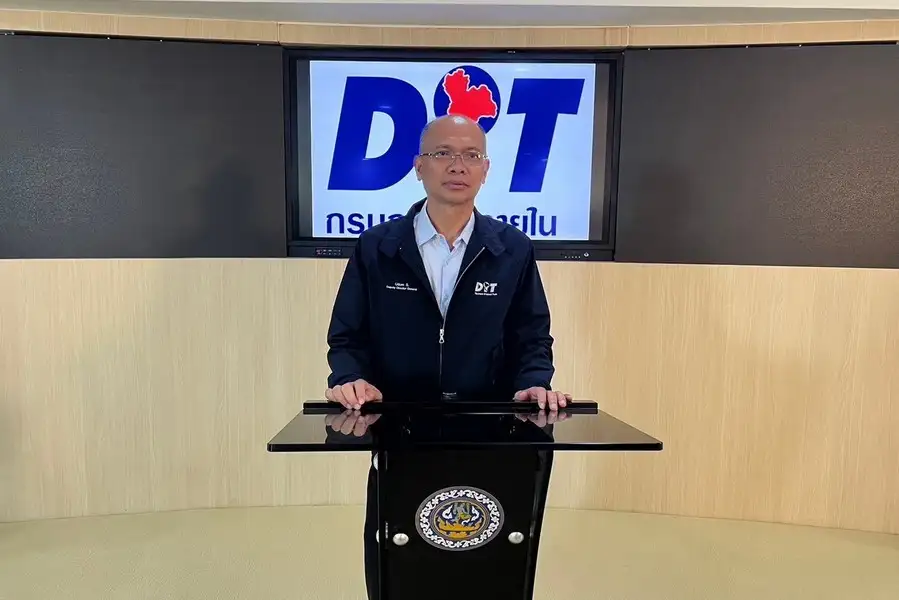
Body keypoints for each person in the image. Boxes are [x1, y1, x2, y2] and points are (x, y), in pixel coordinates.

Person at [323, 114, 569, 599]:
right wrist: (350, 377)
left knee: (486, 559)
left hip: (490, 433)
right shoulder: (377, 247)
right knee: (402, 559)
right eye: (443, 153)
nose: (458, 166)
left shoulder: (512, 249)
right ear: (419, 166)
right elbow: (348, 336)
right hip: (401, 433)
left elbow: (531, 337)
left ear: (485, 169)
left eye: (471, 155)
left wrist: (534, 381)